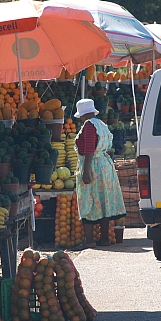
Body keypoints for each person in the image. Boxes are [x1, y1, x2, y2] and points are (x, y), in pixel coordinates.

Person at [72, 99, 126, 249]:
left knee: (87, 200)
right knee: (104, 201)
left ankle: (89, 241)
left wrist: (86, 170)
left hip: (93, 165)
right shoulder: (101, 124)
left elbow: (89, 148)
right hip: (104, 165)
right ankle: (105, 239)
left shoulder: (89, 126)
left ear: (83, 115)